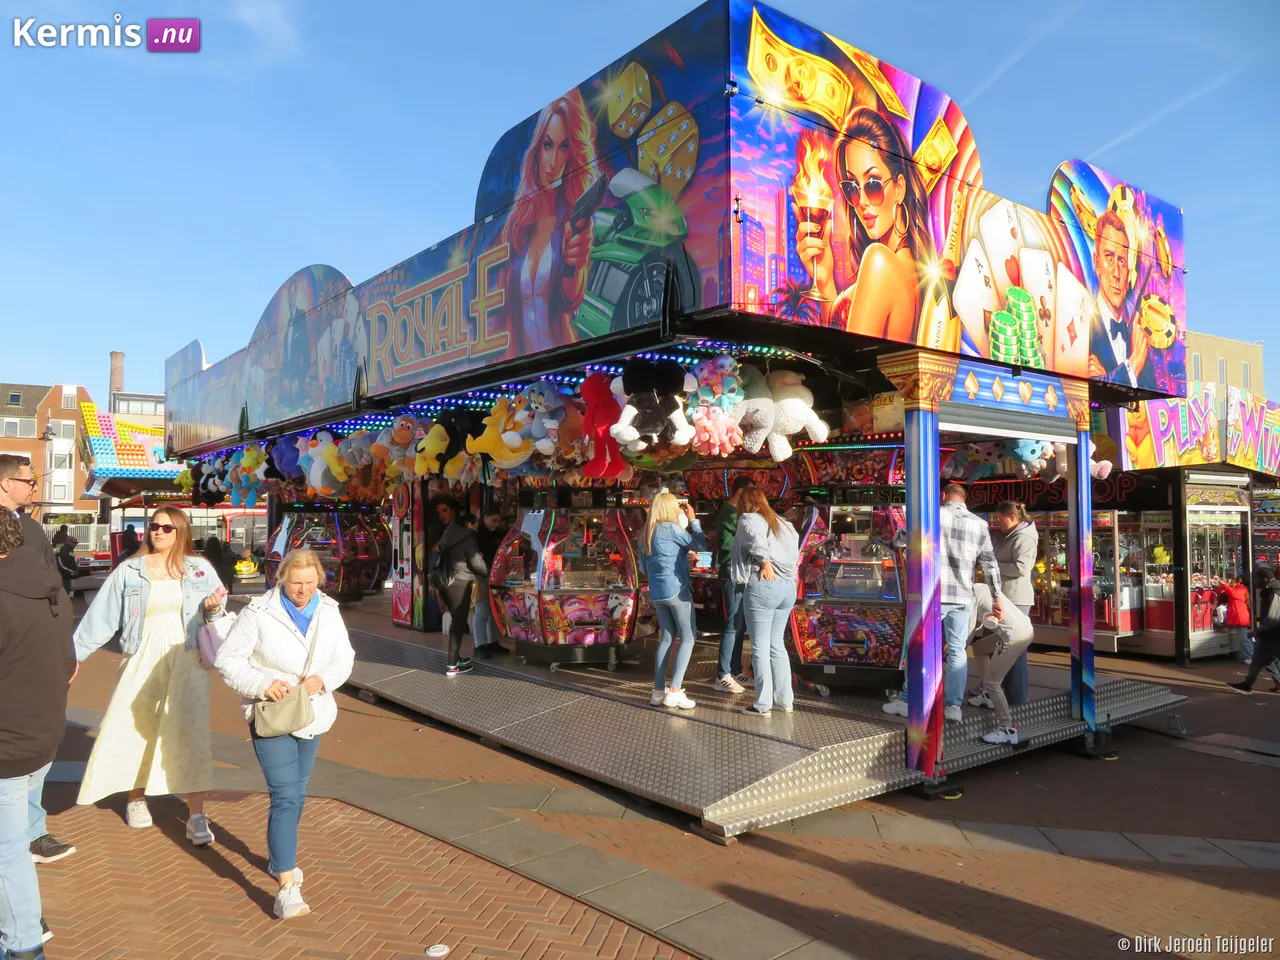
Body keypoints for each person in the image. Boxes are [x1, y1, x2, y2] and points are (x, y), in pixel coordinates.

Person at [215, 548, 355, 921]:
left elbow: (344, 657)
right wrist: (263, 684)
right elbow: (227, 659)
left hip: (312, 711)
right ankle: (287, 887)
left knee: (299, 791)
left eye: (310, 583)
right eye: (296, 583)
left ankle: (281, 859)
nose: (303, 590)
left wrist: (323, 680)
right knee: (286, 795)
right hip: (272, 713)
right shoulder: (259, 612)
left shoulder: (329, 610)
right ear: (282, 579)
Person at [73, 507, 226, 843]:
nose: (158, 532)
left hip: (186, 656)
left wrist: (213, 610)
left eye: (167, 528)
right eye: (154, 526)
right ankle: (136, 798)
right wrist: (73, 655)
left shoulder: (200, 569)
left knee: (190, 731)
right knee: (135, 726)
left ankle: (196, 814)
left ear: (181, 531)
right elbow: (102, 617)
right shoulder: (130, 570)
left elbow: (218, 614)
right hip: (141, 656)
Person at [0, 509, 76, 959]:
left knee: (6, 852)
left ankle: (23, 942)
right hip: (43, 734)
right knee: (11, 847)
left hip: (8, 745)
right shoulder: (51, 588)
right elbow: (69, 663)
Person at [795, 106, 931, 340]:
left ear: (899, 188)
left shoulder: (879, 261)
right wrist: (825, 282)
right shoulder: (909, 269)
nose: (862, 202)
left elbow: (847, 355)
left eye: (873, 184)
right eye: (852, 188)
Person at [501, 90, 598, 355]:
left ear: (572, 154)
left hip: (565, 363)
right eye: (548, 145)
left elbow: (569, 300)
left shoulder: (574, 219)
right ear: (537, 150)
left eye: (563, 147)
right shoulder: (518, 224)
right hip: (524, 369)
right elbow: (505, 313)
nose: (553, 162)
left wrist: (574, 263)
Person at [734, 488, 800, 717]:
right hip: (787, 587)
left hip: (764, 584)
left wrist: (765, 563)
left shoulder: (749, 518)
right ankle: (784, 700)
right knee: (776, 644)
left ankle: (762, 704)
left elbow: (754, 540)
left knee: (759, 647)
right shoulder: (783, 523)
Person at [641, 493, 708, 711]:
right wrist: (693, 520)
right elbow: (701, 545)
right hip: (677, 590)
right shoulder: (670, 528)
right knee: (688, 637)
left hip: (657, 592)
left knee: (667, 638)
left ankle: (658, 691)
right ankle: (675, 690)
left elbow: (643, 568)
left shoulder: (645, 533)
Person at [1087, 211, 1155, 389]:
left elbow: (1152, 396)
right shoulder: (1082, 330)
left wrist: (1108, 379)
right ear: (1097, 263)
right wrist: (1133, 365)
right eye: (1109, 257)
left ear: (1129, 273)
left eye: (1122, 261)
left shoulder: (1137, 339)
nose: (1116, 273)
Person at [965, 583, 1035, 744]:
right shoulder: (981, 587)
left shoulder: (970, 597)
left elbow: (968, 632)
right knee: (980, 648)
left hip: (1013, 637)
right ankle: (988, 696)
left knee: (992, 682)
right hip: (1024, 629)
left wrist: (952, 649)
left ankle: (1006, 728)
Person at [985, 502, 1038, 708]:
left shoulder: (1024, 538)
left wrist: (993, 567)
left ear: (1012, 517)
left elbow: (1021, 568)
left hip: (1016, 598)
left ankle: (1016, 695)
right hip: (1004, 597)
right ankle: (998, 690)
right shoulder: (1006, 536)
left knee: (1014, 648)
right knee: (998, 646)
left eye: (1000, 518)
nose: (997, 522)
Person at [430, 498, 488, 677]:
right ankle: (452, 665)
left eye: (444, 510)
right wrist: (487, 570)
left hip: (445, 582)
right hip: (461, 583)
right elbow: (476, 563)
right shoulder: (467, 537)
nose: (476, 527)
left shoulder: (447, 533)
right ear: (469, 523)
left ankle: (457, 658)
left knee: (457, 620)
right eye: (475, 524)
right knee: (458, 622)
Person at [713, 475, 755, 694]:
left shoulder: (736, 513)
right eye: (750, 491)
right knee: (732, 624)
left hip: (740, 572)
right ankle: (722, 675)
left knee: (740, 624)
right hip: (731, 572)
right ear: (740, 491)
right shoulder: (729, 514)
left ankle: (735, 669)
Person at [1229, 565, 1280, 695]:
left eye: (1257, 579)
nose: (1255, 582)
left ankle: (1247, 685)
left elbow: (1273, 616)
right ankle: (1247, 684)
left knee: (1259, 660)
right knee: (1263, 660)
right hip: (1272, 635)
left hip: (1272, 634)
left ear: (1265, 579)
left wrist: (1259, 630)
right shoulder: (1273, 590)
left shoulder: (1274, 591)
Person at [0, 454, 55, 569]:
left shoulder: (32, 527)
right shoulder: (31, 528)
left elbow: (50, 572)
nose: (35, 488)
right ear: (7, 484)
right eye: (30, 482)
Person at [472, 510, 508, 658]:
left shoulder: (495, 534)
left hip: (493, 576)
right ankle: (479, 644)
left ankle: (492, 641)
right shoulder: (478, 535)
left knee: (493, 610)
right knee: (482, 610)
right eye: (493, 520)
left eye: (498, 521)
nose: (496, 524)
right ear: (485, 517)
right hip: (480, 576)